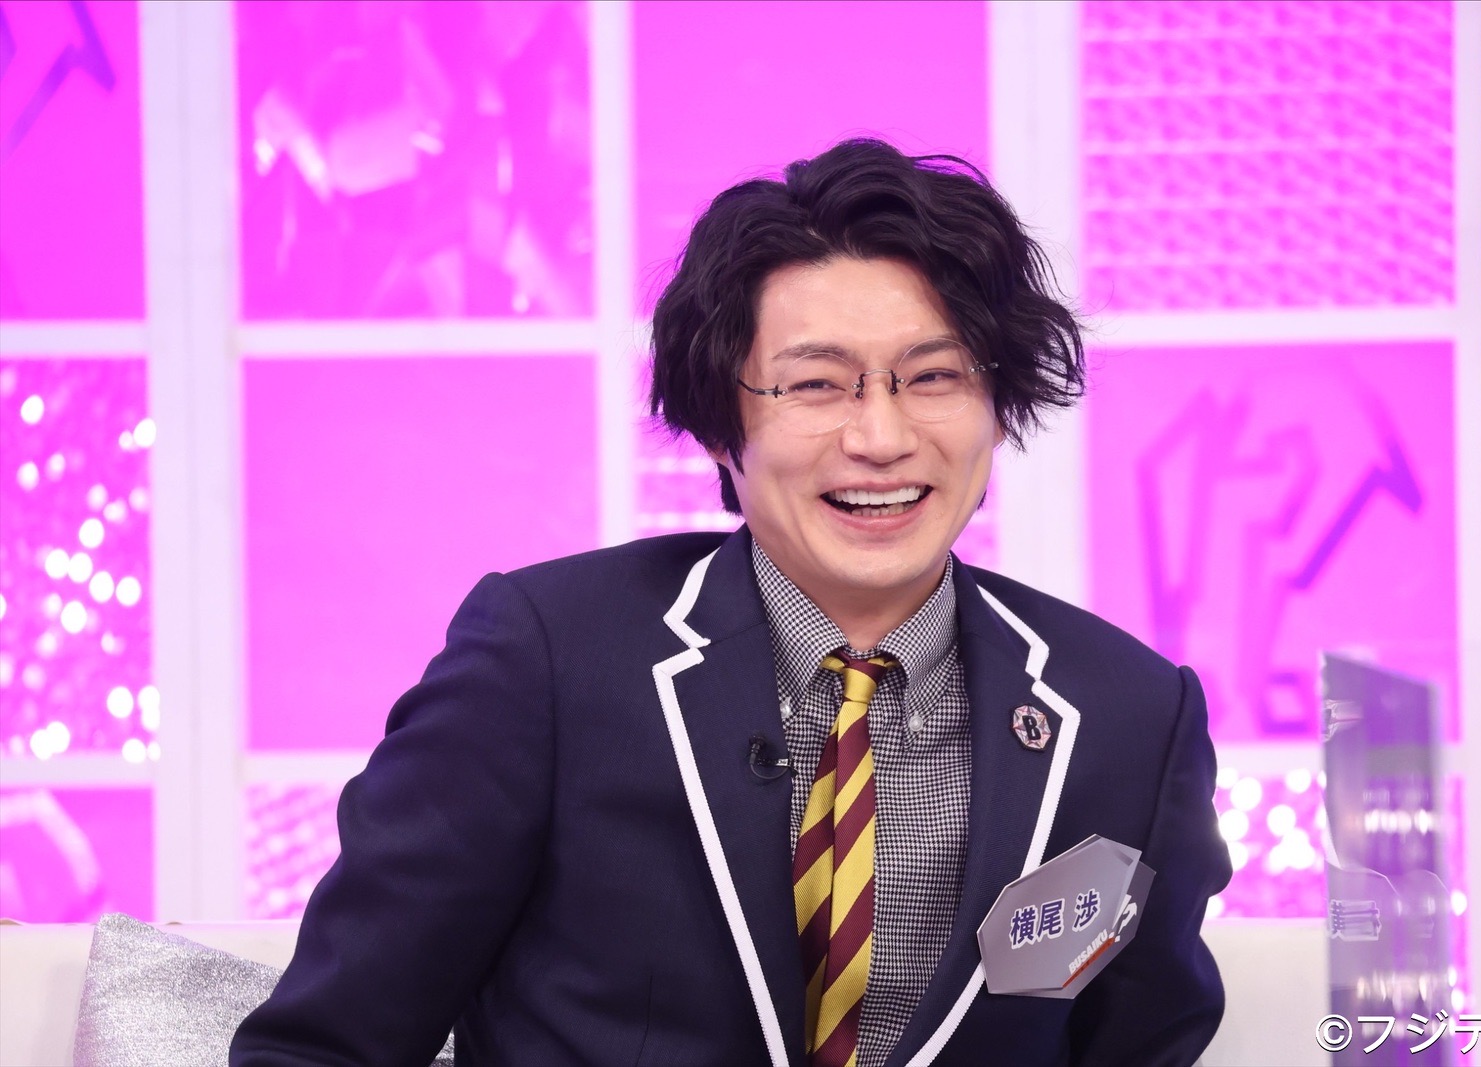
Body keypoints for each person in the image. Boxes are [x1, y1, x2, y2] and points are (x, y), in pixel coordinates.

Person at [231, 138, 1231, 1067]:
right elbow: (324, 1048)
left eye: (933, 376)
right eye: (816, 385)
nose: (881, 438)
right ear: (719, 423)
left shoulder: (1129, 721)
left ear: (997, 407)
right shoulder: (545, 664)